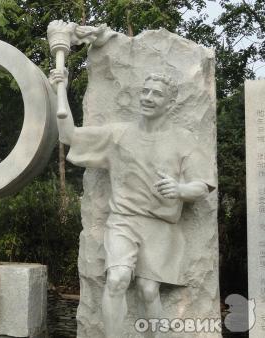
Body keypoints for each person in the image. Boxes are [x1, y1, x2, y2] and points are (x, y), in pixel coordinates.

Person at [49, 70, 215, 337]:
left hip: (160, 226)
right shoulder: (119, 134)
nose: (148, 97)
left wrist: (180, 188)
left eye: (157, 94)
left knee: (149, 290)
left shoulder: (183, 139)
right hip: (123, 222)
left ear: (170, 103)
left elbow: (202, 185)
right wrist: (60, 88)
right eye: (145, 91)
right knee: (117, 279)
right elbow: (69, 135)